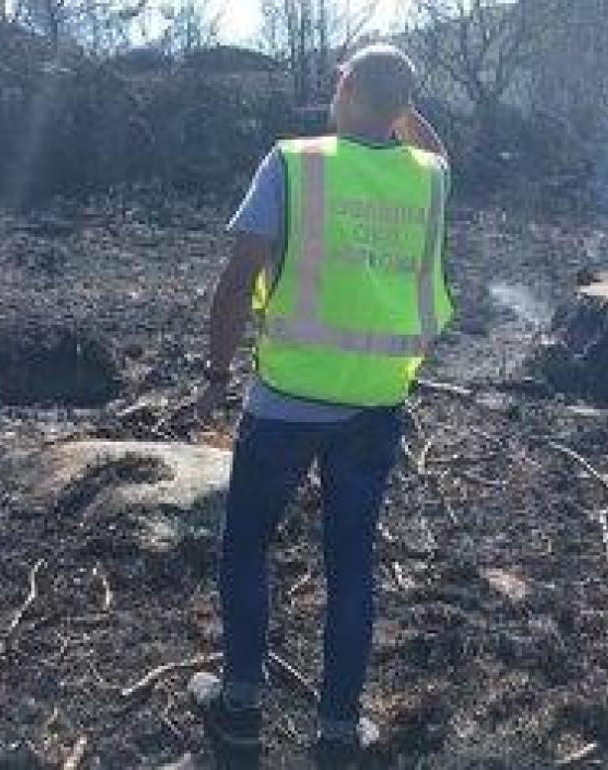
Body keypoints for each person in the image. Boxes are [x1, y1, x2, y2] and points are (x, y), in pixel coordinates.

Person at [188, 43, 455, 769]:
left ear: (344, 87)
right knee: (351, 563)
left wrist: (216, 373)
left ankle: (240, 707)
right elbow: (438, 152)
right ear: (401, 108)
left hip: (286, 402)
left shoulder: (293, 163)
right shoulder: (429, 179)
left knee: (247, 545)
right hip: (375, 404)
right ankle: (337, 731)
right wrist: (400, 101)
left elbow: (236, 281)